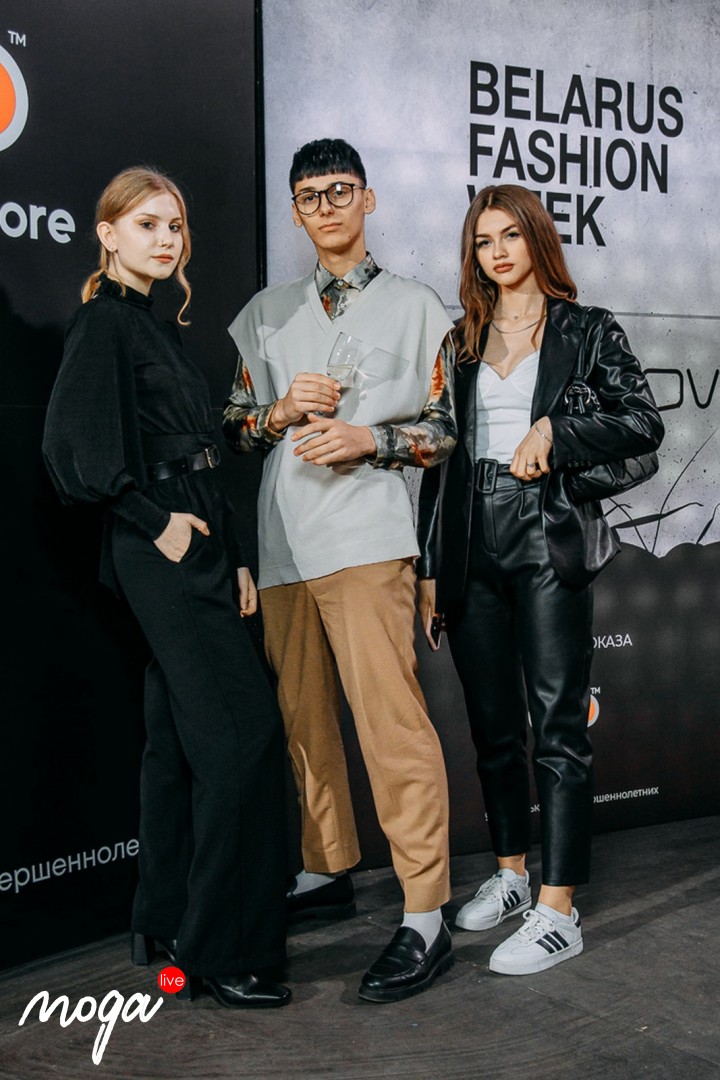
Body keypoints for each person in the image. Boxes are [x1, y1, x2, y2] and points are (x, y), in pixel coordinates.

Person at [42, 167, 291, 1009]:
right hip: (166, 551)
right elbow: (70, 451)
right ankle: (223, 952)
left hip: (202, 542)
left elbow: (202, 453)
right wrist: (158, 523)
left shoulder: (154, 325)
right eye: (146, 224)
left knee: (180, 741)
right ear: (107, 233)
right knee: (241, 739)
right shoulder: (105, 323)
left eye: (174, 226)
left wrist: (239, 554)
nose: (165, 239)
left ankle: (169, 919)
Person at [223, 138, 457, 1003]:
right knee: (303, 720)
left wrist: (370, 439)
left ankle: (425, 910)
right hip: (283, 541)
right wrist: (280, 409)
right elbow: (236, 427)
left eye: (340, 190)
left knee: (391, 726)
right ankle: (325, 868)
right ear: (295, 212)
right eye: (310, 195)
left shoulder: (417, 307)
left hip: (366, 538)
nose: (326, 206)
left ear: (369, 199)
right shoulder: (266, 314)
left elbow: (445, 431)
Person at [417, 183, 664, 976]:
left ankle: (559, 910)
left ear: (536, 240)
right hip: (470, 537)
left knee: (556, 725)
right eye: (483, 240)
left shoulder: (587, 330)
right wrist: (430, 566)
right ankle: (512, 874)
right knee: (493, 727)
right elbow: (440, 464)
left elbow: (643, 423)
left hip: (547, 529)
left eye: (510, 236)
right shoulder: (460, 339)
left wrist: (557, 429)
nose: (497, 252)